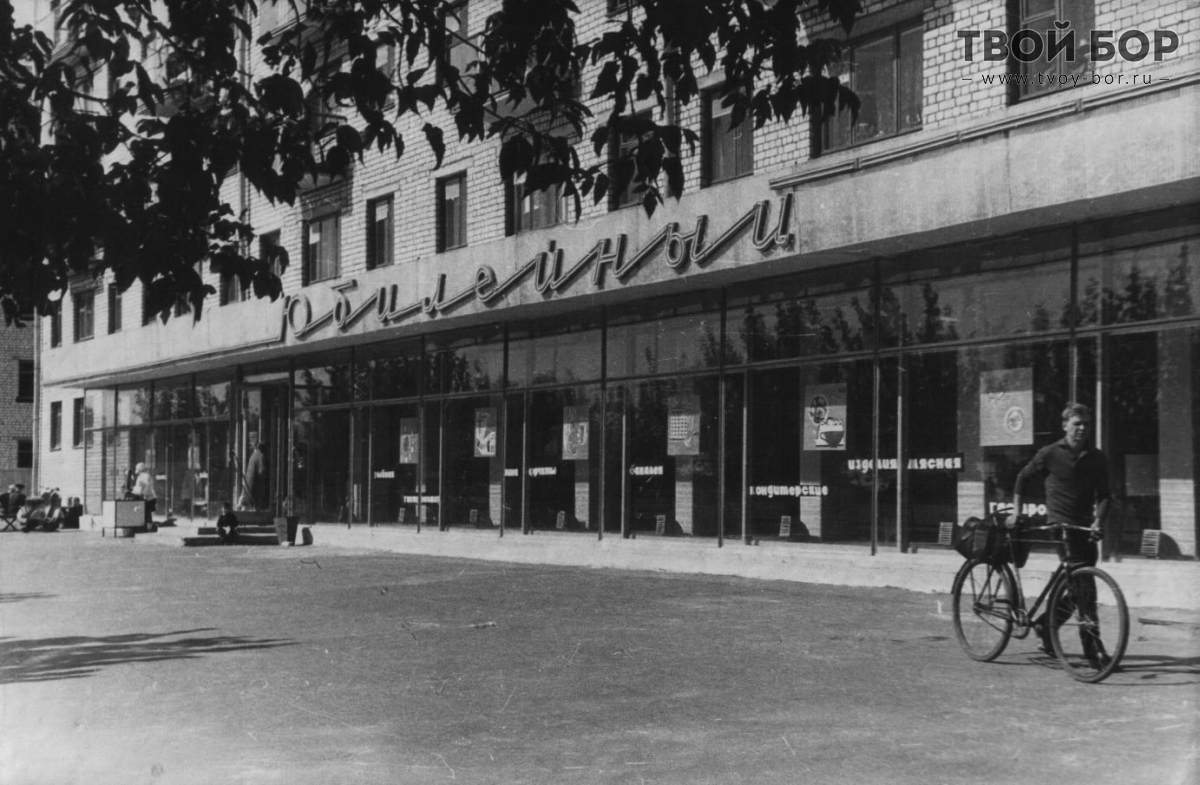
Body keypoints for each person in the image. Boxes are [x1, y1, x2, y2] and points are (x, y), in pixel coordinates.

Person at [1011, 402, 1112, 663]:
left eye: (1086, 424)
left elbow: (1105, 495)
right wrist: (1016, 512)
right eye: (1077, 423)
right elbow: (1022, 477)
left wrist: (1098, 521)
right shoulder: (1050, 453)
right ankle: (1093, 649)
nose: (1082, 428)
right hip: (1060, 526)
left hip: (1085, 528)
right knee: (1085, 587)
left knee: (1080, 587)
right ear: (1065, 425)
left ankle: (1045, 625)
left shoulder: (1096, 457)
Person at [245, 442, 269, 511]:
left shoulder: (252, 456)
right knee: (258, 503)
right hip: (257, 483)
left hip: (250, 483)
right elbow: (262, 471)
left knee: (253, 503)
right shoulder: (261, 455)